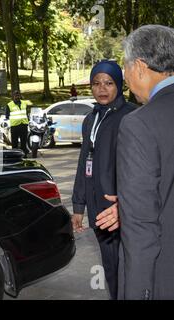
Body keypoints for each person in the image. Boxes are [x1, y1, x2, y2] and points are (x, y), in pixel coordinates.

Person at [116, 25, 174, 300]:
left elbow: (141, 229)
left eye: (124, 68)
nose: (125, 77)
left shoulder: (138, 125)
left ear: (139, 66)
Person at [71, 60, 136, 299]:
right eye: (96, 83)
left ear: (119, 84)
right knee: (109, 266)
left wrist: (127, 202)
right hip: (97, 208)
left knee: (128, 268)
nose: (102, 88)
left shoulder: (131, 116)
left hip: (122, 208)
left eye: (109, 83)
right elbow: (83, 163)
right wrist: (79, 206)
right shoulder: (90, 119)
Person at [5, 90, 30, 157]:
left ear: (20, 96)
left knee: (24, 142)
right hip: (15, 126)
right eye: (15, 95)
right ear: (13, 96)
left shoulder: (24, 103)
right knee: (14, 143)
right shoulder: (9, 105)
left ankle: (24, 156)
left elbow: (27, 114)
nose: (17, 97)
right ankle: (14, 156)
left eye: (18, 95)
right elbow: (7, 116)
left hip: (23, 125)